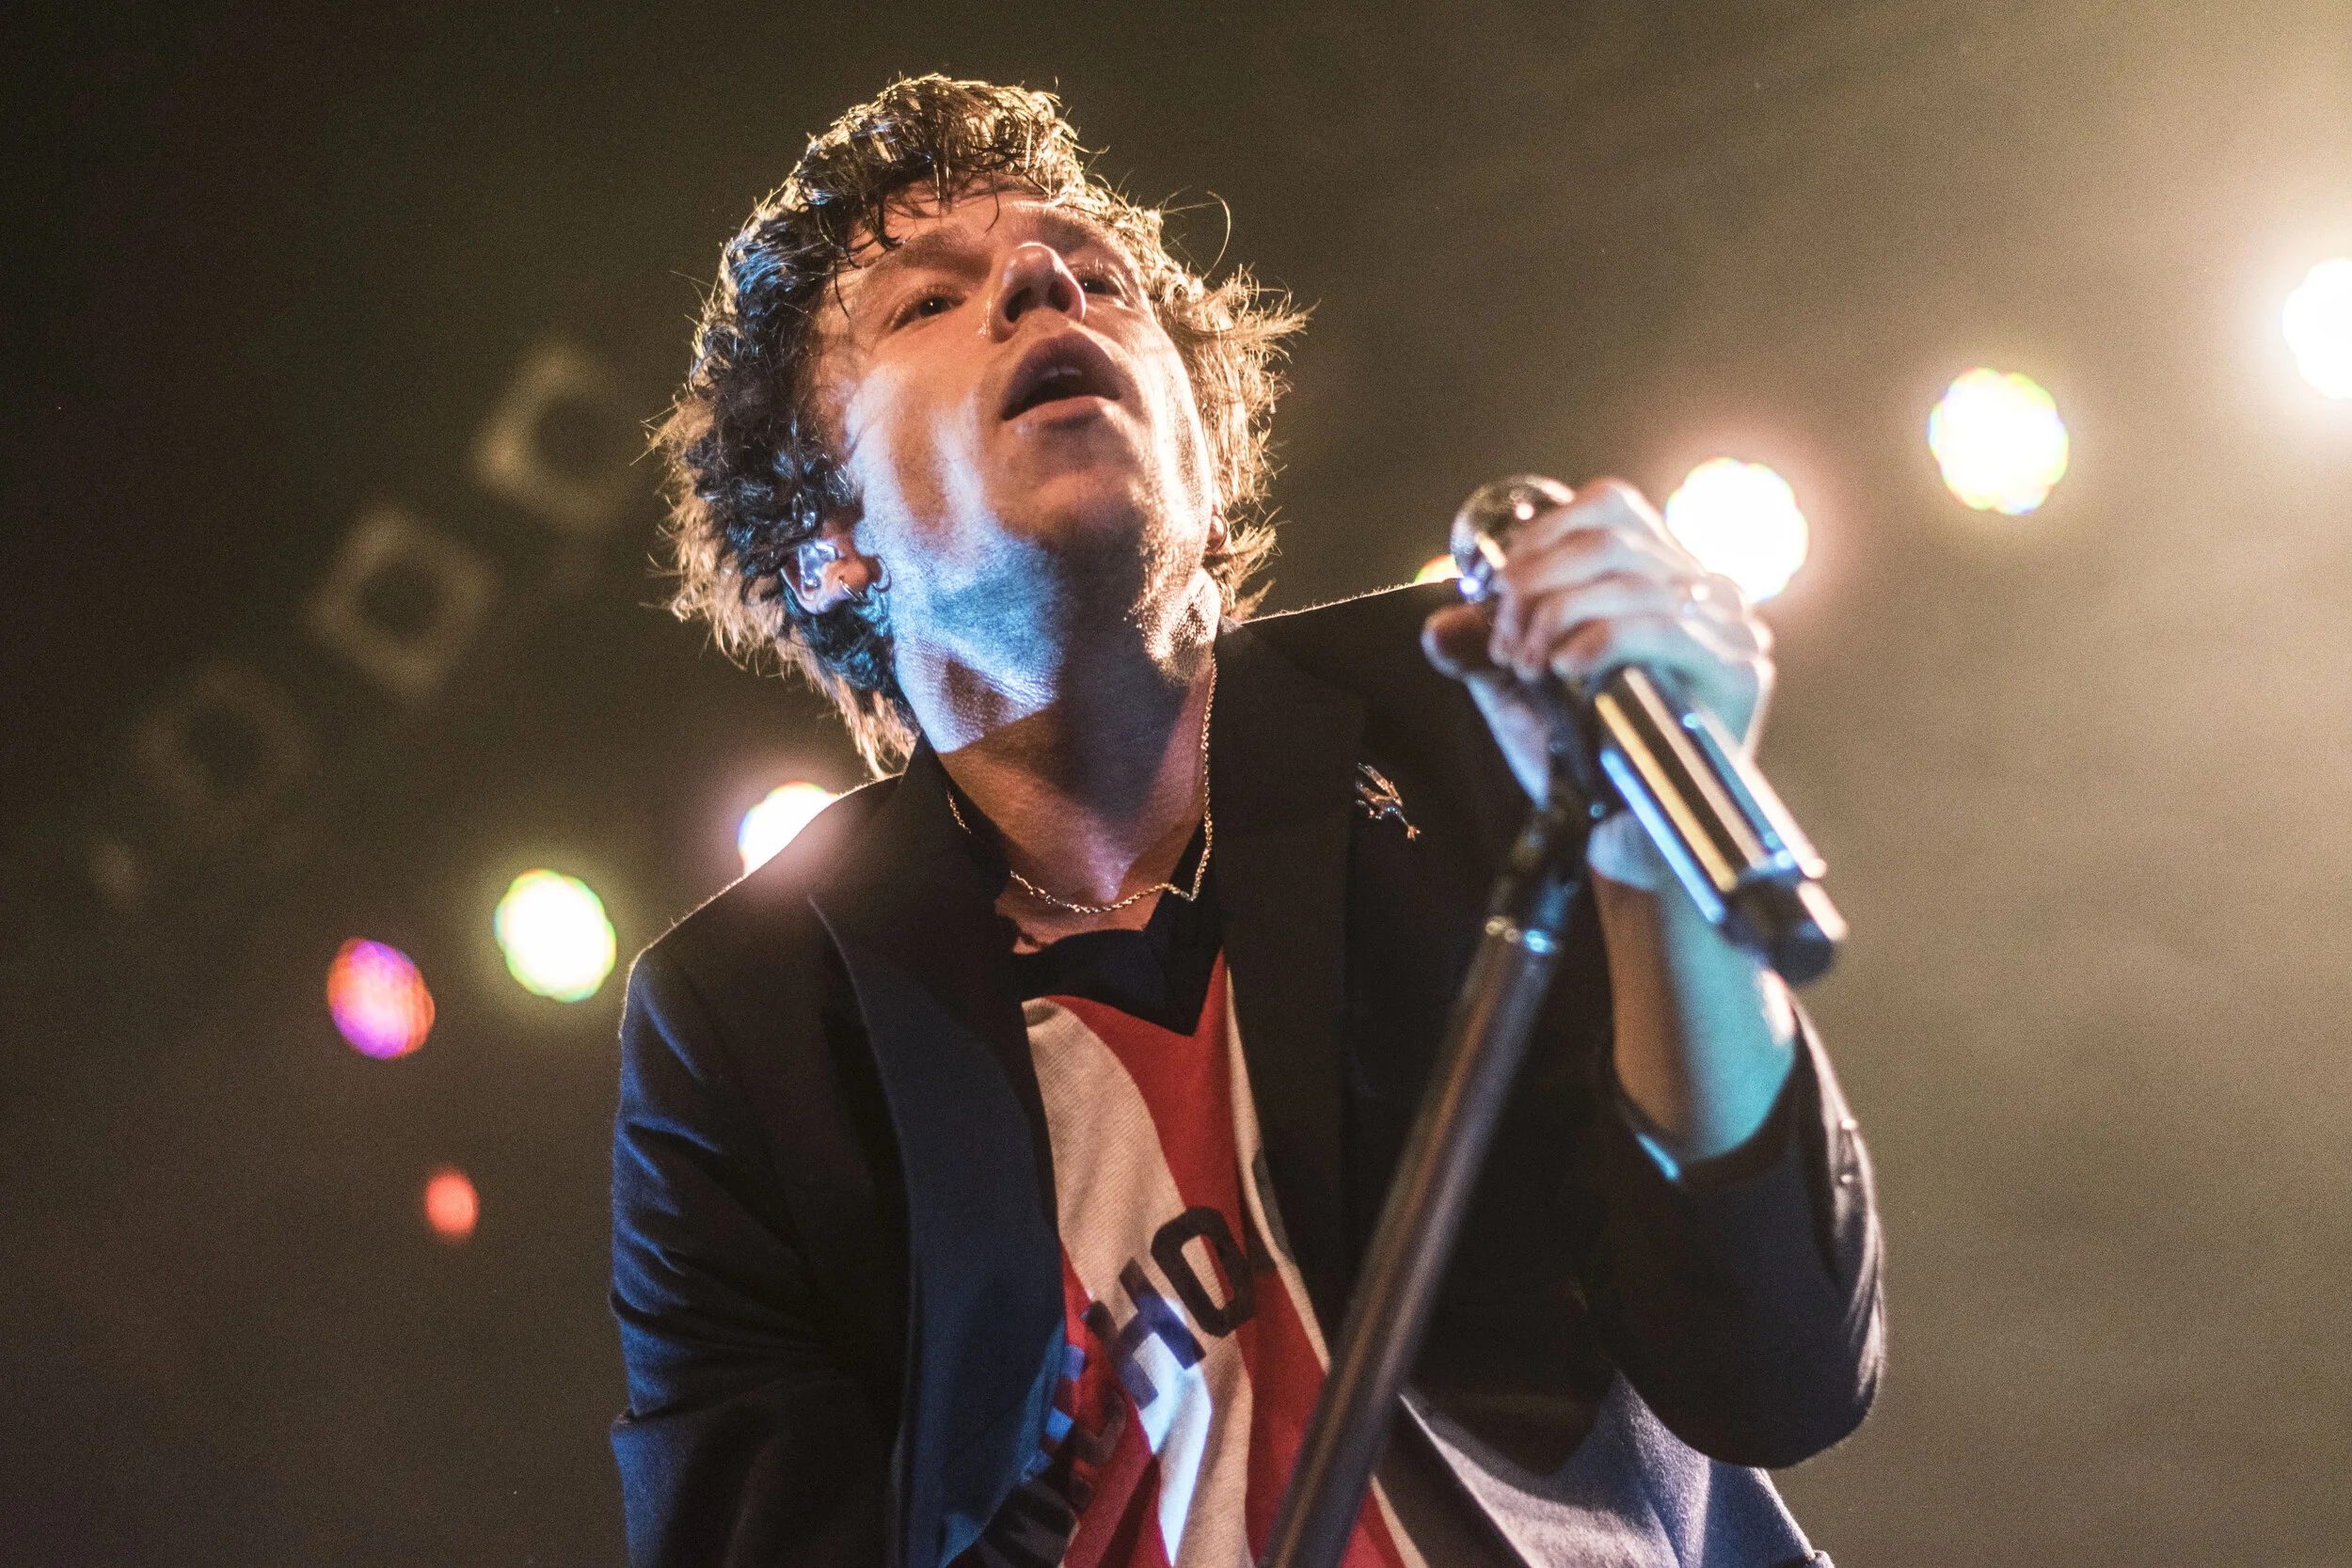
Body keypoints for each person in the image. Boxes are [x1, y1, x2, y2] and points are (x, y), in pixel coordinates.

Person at [612, 74, 1883, 1568]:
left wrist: (1648, 874)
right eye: (925, 304)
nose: (1042, 281)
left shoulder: (1484, 713)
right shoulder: (755, 1020)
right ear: (825, 544)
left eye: (1101, 277)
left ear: (1206, 480)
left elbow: (1779, 1367)